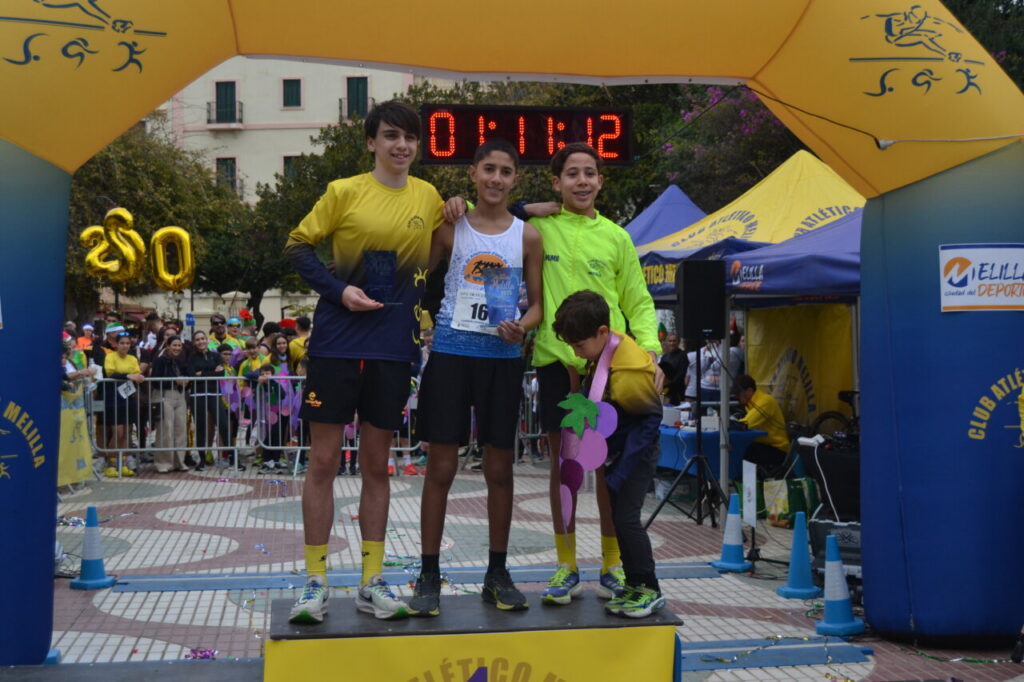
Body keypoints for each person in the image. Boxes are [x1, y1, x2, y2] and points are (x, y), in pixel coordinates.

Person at [284, 100, 450, 624]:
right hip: (336, 344)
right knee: (324, 463)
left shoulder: (430, 196)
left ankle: (370, 582)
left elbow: (456, 241)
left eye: (410, 138)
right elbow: (296, 247)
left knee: (377, 466)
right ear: (372, 142)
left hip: (393, 350)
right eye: (391, 136)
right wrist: (339, 291)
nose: (402, 146)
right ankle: (314, 583)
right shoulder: (344, 192)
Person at [408, 139, 543, 616]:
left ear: (515, 180)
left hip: (501, 362)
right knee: (440, 469)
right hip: (449, 355)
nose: (496, 179)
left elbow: (538, 305)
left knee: (500, 471)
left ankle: (498, 572)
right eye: (489, 169)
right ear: (473, 172)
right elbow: (420, 275)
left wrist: (520, 327)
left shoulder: (527, 236)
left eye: (506, 172)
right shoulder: (452, 227)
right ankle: (428, 574)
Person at [529, 142, 662, 605]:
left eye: (590, 173)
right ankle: (566, 566)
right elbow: (480, 208)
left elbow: (639, 302)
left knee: (608, 470)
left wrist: (649, 354)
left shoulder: (618, 237)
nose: (582, 181)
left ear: (601, 181)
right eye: (572, 174)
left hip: (611, 371)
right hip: (557, 365)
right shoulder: (538, 228)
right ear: (556, 182)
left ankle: (611, 564)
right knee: (563, 469)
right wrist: (526, 207)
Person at [552, 291, 666, 617]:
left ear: (603, 332)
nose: (576, 353)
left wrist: (621, 471)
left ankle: (649, 587)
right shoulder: (606, 353)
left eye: (579, 345)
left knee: (627, 521)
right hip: (621, 456)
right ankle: (633, 584)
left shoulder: (628, 370)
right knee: (619, 518)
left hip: (635, 457)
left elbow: (648, 422)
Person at [187, 331, 232, 471]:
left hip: (213, 393)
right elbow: (191, 374)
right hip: (198, 395)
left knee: (223, 425)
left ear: (207, 340)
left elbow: (221, 372)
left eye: (202, 338)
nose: (201, 341)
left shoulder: (215, 355)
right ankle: (201, 459)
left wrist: (202, 373)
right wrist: (211, 372)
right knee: (201, 427)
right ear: (194, 342)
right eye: (197, 339)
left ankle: (232, 457)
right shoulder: (191, 357)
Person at [103, 331, 146, 477]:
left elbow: (137, 373)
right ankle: (111, 463)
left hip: (128, 397)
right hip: (113, 398)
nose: (125, 346)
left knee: (127, 432)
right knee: (118, 432)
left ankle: (123, 463)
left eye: (127, 343)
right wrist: (128, 376)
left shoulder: (132, 358)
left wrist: (133, 376)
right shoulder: (110, 357)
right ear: (117, 344)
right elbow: (110, 373)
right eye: (122, 343)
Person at [734, 374, 790, 472]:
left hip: (778, 449)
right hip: (764, 445)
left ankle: (747, 483)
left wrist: (728, 425)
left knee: (741, 451)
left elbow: (747, 424)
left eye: (738, 393)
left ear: (749, 391)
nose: (737, 397)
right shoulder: (750, 404)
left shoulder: (765, 401)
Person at [150, 335, 189, 472]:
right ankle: (164, 463)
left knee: (180, 429)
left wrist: (184, 381)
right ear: (168, 346)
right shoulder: (160, 360)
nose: (177, 348)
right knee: (166, 430)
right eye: (174, 345)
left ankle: (179, 461)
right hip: (164, 395)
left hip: (179, 395)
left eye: (179, 345)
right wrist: (174, 381)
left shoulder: (179, 361)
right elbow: (155, 380)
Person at [658, 333, 688, 404]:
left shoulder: (682, 355)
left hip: (677, 391)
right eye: (670, 341)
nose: (672, 343)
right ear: (666, 342)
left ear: (678, 342)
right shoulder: (664, 356)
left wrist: (670, 385)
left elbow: (681, 374)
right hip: (664, 390)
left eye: (674, 341)